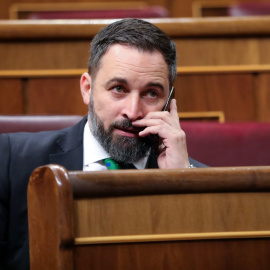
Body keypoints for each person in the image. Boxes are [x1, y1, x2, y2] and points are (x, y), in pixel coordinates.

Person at [0, 18, 206, 270]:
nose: (132, 112)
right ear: (88, 89)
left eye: (151, 93)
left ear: (169, 104)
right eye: (118, 88)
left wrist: (182, 183)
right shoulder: (11, 161)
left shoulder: (200, 184)